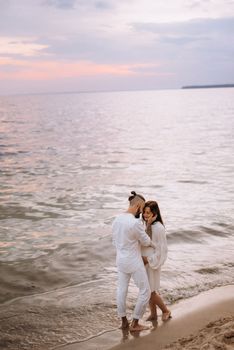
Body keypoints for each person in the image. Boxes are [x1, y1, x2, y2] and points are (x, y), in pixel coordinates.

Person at [112, 191, 156, 331]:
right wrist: (148, 225)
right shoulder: (135, 222)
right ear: (137, 205)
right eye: (142, 209)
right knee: (145, 291)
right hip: (134, 261)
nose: (142, 212)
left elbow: (115, 240)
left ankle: (124, 322)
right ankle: (135, 323)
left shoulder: (116, 219)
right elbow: (146, 241)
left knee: (121, 290)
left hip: (120, 261)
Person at [141, 200, 171, 321]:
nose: (145, 215)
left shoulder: (158, 228)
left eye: (148, 212)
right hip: (145, 262)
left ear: (155, 213)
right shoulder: (148, 225)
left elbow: (162, 249)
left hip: (152, 261)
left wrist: (148, 259)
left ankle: (165, 310)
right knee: (149, 289)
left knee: (150, 291)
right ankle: (153, 314)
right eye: (144, 212)